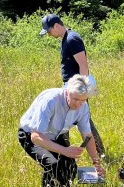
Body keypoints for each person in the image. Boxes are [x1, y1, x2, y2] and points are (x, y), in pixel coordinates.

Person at [18, 75, 106, 187]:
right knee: (53, 164)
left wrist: (96, 163)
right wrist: (65, 150)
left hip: (54, 134)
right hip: (31, 136)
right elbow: (35, 136)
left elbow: (88, 135)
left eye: (83, 100)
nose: (78, 105)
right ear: (67, 91)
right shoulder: (51, 100)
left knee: (70, 167)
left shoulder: (83, 107)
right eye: (75, 99)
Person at [39, 14, 105, 156]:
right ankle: (64, 152)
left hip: (76, 89)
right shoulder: (65, 39)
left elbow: (83, 65)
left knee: (82, 121)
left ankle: (99, 154)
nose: (49, 35)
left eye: (49, 31)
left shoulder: (72, 39)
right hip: (69, 87)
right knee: (64, 120)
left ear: (56, 26)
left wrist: (82, 90)